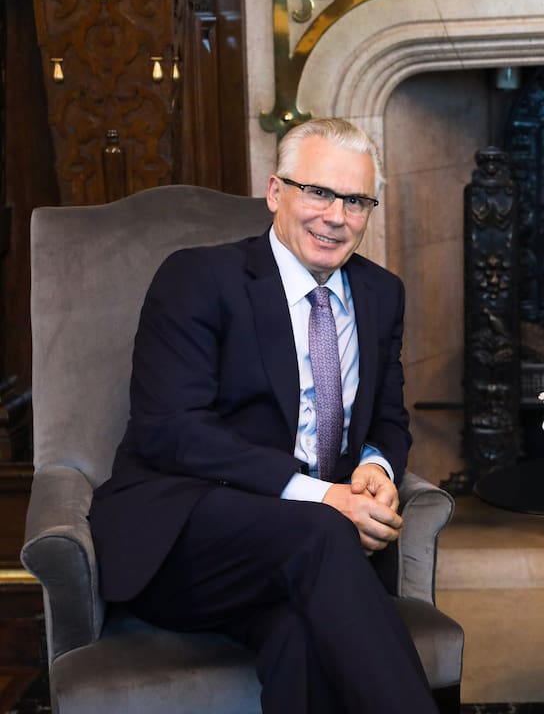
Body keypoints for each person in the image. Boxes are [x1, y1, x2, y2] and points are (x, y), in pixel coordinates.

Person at [88, 118, 438, 713]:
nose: (336, 216)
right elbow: (170, 430)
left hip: (305, 556)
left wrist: (378, 465)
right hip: (186, 534)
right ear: (276, 192)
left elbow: (388, 417)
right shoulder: (199, 278)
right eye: (318, 192)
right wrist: (320, 497)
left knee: (300, 639)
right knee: (324, 533)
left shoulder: (382, 293)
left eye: (355, 201)